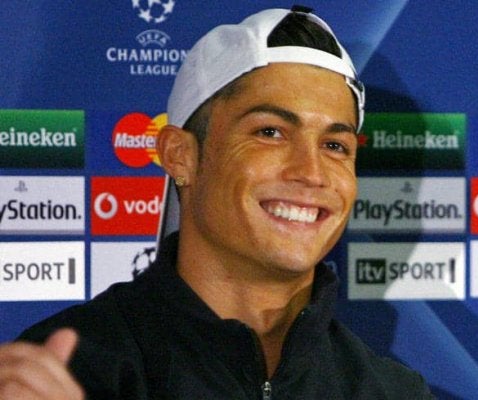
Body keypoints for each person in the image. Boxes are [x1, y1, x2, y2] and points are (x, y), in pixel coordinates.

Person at [0, 6, 434, 399]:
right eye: (270, 132)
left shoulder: (392, 392)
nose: (311, 172)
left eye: (335, 146)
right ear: (180, 156)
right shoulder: (67, 373)